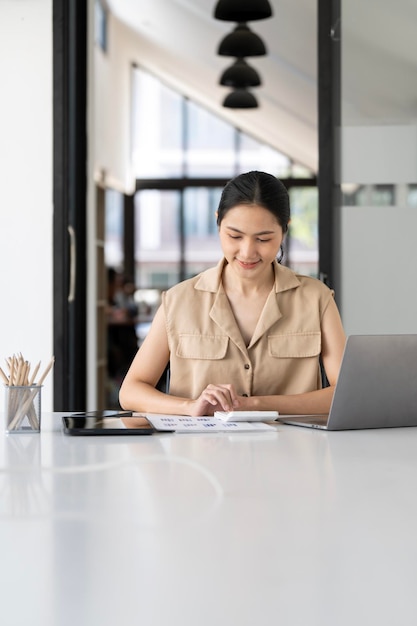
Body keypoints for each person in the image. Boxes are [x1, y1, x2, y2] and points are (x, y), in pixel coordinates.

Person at [119, 171, 346, 417]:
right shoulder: (178, 301)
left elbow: (346, 393)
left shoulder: (316, 299)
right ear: (218, 222)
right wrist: (189, 406)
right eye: (235, 236)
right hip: (196, 453)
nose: (247, 252)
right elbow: (131, 391)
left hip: (294, 451)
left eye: (263, 239)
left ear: (284, 230)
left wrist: (256, 405)